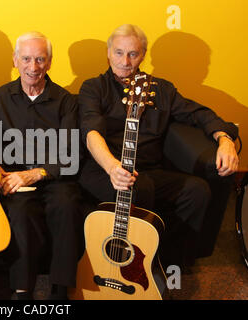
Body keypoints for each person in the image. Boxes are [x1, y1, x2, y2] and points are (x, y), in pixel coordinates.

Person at [78, 24, 239, 268]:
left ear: (143, 55)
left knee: (197, 190)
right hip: (103, 169)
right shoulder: (93, 87)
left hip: (148, 170)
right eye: (119, 52)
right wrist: (113, 167)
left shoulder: (162, 90)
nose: (125, 61)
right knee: (139, 188)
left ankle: (166, 262)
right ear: (108, 53)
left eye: (133, 54)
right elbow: (91, 132)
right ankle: (130, 263)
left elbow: (198, 114)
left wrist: (225, 139)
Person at [0, 32, 83, 300]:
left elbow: (72, 153)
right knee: (20, 210)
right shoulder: (0, 97)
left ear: (49, 62)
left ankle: (61, 290)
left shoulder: (66, 101)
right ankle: (22, 290)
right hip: (14, 176)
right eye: (26, 58)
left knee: (67, 204)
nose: (33, 67)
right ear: (15, 60)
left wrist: (34, 174)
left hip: (54, 176)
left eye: (40, 59)